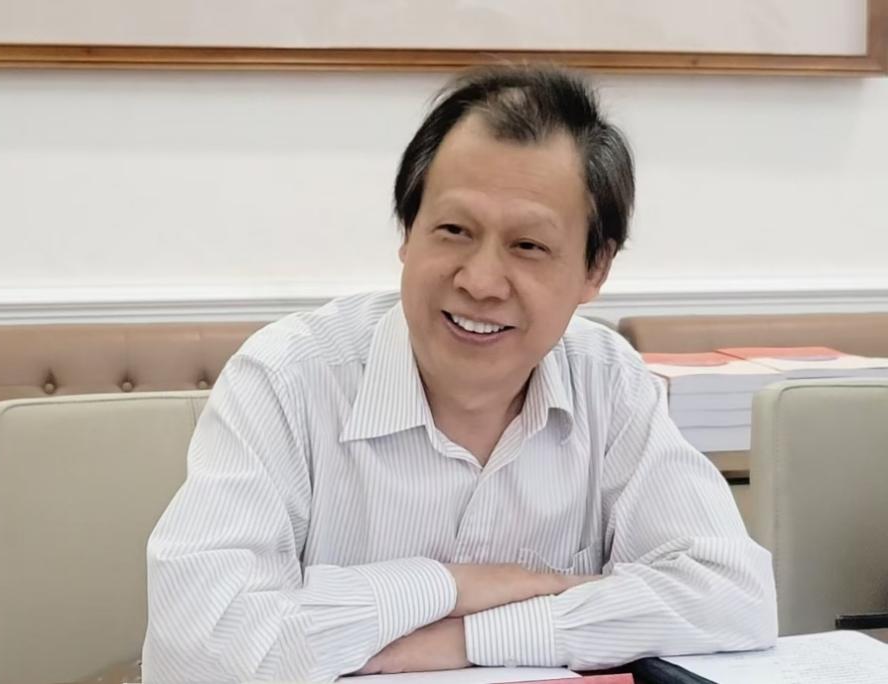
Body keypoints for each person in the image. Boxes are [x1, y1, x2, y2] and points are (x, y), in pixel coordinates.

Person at [142, 65, 777, 683]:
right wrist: (453, 585)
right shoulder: (287, 379)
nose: (480, 281)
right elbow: (194, 650)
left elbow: (732, 596)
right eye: (453, 230)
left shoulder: (608, 382)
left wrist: (470, 637)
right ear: (407, 233)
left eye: (528, 246)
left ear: (595, 270)